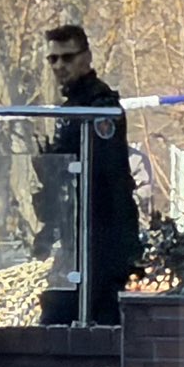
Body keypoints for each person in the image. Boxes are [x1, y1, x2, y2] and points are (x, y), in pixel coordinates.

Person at [35, 25, 135, 325]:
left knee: (76, 318)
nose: (59, 66)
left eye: (67, 57)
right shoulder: (72, 106)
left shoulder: (100, 106)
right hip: (74, 233)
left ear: (86, 57)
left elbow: (107, 177)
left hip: (99, 236)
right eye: (53, 59)